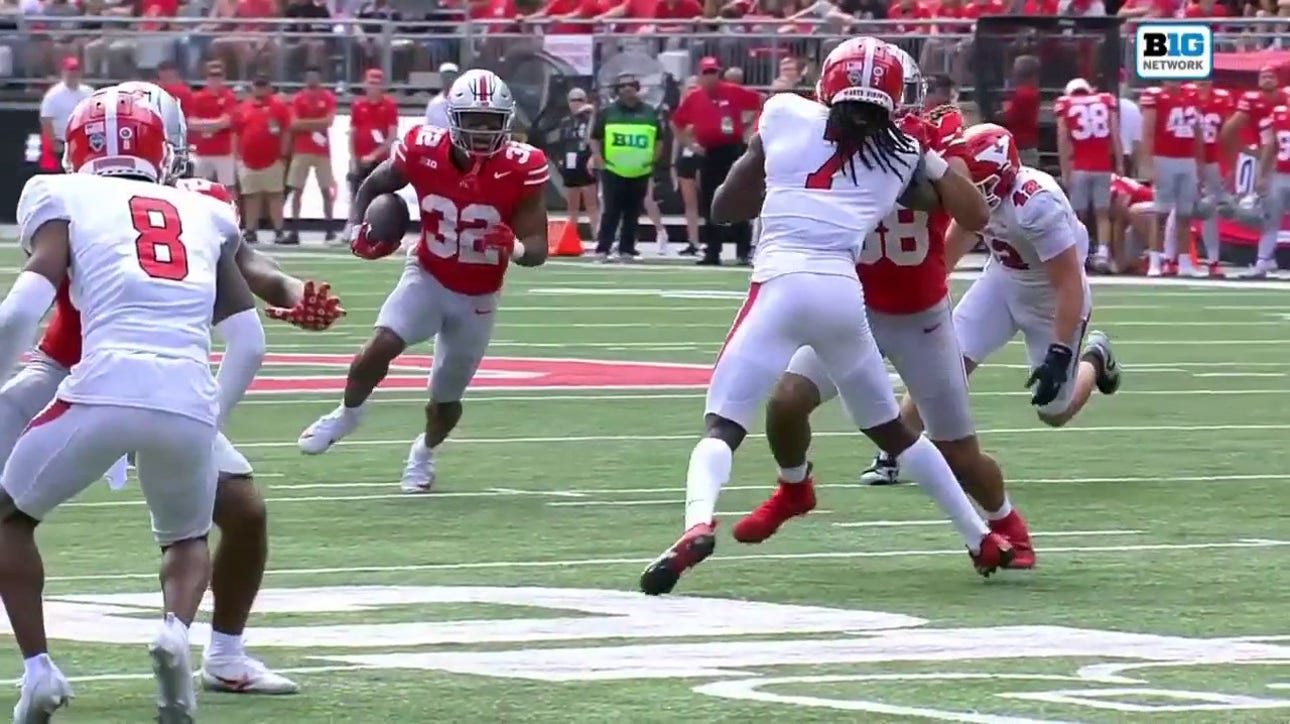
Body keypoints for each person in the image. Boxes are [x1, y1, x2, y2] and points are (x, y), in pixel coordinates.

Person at [0, 84, 344, 700]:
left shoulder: (177, 201)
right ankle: (170, 636)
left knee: (244, 510)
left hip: (120, 379)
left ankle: (226, 653)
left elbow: (247, 267)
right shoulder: (149, 201)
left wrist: (290, 288)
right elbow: (246, 323)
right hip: (72, 370)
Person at [637, 38, 1012, 597]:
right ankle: (979, 535)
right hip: (843, 291)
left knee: (723, 426)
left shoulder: (783, 111)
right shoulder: (905, 151)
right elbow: (974, 212)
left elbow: (723, 208)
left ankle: (697, 521)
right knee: (892, 430)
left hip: (781, 284)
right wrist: (929, 154)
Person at [743, 47, 1036, 570]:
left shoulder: (924, 140)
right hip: (851, 306)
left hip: (919, 316)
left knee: (957, 451)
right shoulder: (814, 135)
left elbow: (972, 210)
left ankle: (1007, 522)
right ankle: (794, 488)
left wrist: (926, 159)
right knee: (786, 402)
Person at [297, 70, 552, 494]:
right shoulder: (422, 148)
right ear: (453, 118)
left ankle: (424, 452)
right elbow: (376, 183)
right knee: (377, 349)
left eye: (492, 121)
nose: (484, 130)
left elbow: (538, 248)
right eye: (473, 119)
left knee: (445, 403)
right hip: (429, 274)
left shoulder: (523, 166)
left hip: (479, 295)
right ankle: (347, 414)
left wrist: (514, 247)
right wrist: (357, 228)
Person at [946, 124, 1120, 428]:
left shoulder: (1035, 204)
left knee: (1053, 412)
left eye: (975, 184)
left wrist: (1060, 351)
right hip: (1001, 281)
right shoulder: (984, 197)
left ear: (1000, 177)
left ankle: (1094, 360)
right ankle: (894, 451)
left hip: (1049, 298)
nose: (966, 192)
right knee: (946, 365)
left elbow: (1068, 283)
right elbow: (946, 254)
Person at [671, 57, 763, 266]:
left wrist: (749, 127)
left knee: (739, 198)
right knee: (710, 202)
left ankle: (743, 251)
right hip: (709, 153)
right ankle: (713, 251)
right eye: (707, 72)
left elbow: (762, 102)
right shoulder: (694, 98)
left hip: (733, 150)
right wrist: (690, 144)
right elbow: (676, 122)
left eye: (714, 72)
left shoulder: (732, 91)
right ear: (700, 76)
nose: (711, 76)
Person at [590, 73, 663, 262]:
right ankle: (603, 248)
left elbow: (660, 140)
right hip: (613, 169)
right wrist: (598, 158)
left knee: (633, 212)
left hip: (640, 170)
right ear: (617, 91)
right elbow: (594, 137)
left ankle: (627, 249)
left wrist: (652, 160)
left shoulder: (649, 112)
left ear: (637, 88)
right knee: (611, 211)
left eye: (631, 85)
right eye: (622, 86)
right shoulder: (608, 112)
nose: (627, 89)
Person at [1054, 78, 1122, 274]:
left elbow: (1063, 138)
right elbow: (1115, 134)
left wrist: (1065, 169)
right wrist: (1118, 163)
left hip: (1080, 166)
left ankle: (1078, 252)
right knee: (1102, 213)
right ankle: (1102, 252)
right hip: (1102, 165)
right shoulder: (1104, 101)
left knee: (1077, 215)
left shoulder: (1066, 105)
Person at [1139, 82, 1202, 277]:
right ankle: (1155, 260)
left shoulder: (1192, 94)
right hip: (1164, 157)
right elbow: (1147, 133)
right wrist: (1148, 164)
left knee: (1185, 214)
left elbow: (1198, 133)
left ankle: (1184, 262)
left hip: (1187, 159)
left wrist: (1199, 163)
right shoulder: (1156, 96)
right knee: (1161, 213)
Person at [1184, 80, 1232, 278]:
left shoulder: (1221, 98)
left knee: (1210, 211)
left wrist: (1229, 165)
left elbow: (1229, 134)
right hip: (1184, 159)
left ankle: (1213, 260)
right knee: (1180, 211)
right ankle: (1174, 258)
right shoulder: (1183, 95)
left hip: (1212, 161)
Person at [286, 66, 339, 244]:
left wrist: (305, 124)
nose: (312, 79)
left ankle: (330, 228)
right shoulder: (298, 98)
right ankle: (294, 229)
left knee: (326, 190)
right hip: (301, 149)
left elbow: (329, 121)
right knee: (297, 190)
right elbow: (293, 123)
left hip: (321, 150)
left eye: (315, 76)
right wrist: (317, 124)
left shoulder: (328, 97)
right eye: (309, 76)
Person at [347, 69, 400, 240]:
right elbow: (353, 134)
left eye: (376, 83)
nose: (373, 87)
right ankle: (354, 227)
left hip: (379, 161)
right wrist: (354, 158)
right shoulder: (358, 105)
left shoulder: (389, 105)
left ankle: (379, 229)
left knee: (379, 196)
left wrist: (374, 155)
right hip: (360, 159)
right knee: (356, 194)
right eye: (370, 83)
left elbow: (391, 136)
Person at [556, 87, 599, 240]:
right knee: (572, 206)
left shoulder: (590, 119)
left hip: (586, 164)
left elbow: (596, 136)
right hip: (570, 165)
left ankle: (597, 236)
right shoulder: (566, 122)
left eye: (579, 100)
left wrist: (591, 110)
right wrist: (560, 161)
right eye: (573, 100)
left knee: (591, 204)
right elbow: (561, 143)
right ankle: (571, 237)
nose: (576, 103)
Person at [1253, 103, 1290, 278]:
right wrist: (1262, 174)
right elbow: (1269, 147)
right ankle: (1262, 261)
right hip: (1281, 174)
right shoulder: (1278, 115)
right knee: (1270, 220)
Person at [39, 57, 94, 162]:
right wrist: (52, 143)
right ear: (63, 73)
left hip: (85, 143)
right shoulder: (53, 95)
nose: (73, 75)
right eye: (70, 72)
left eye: (76, 72)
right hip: (63, 144)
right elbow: (46, 121)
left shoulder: (89, 92)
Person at [426, 62, 461, 128]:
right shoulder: (434, 104)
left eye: (451, 77)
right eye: (445, 77)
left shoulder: (462, 102)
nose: (448, 80)